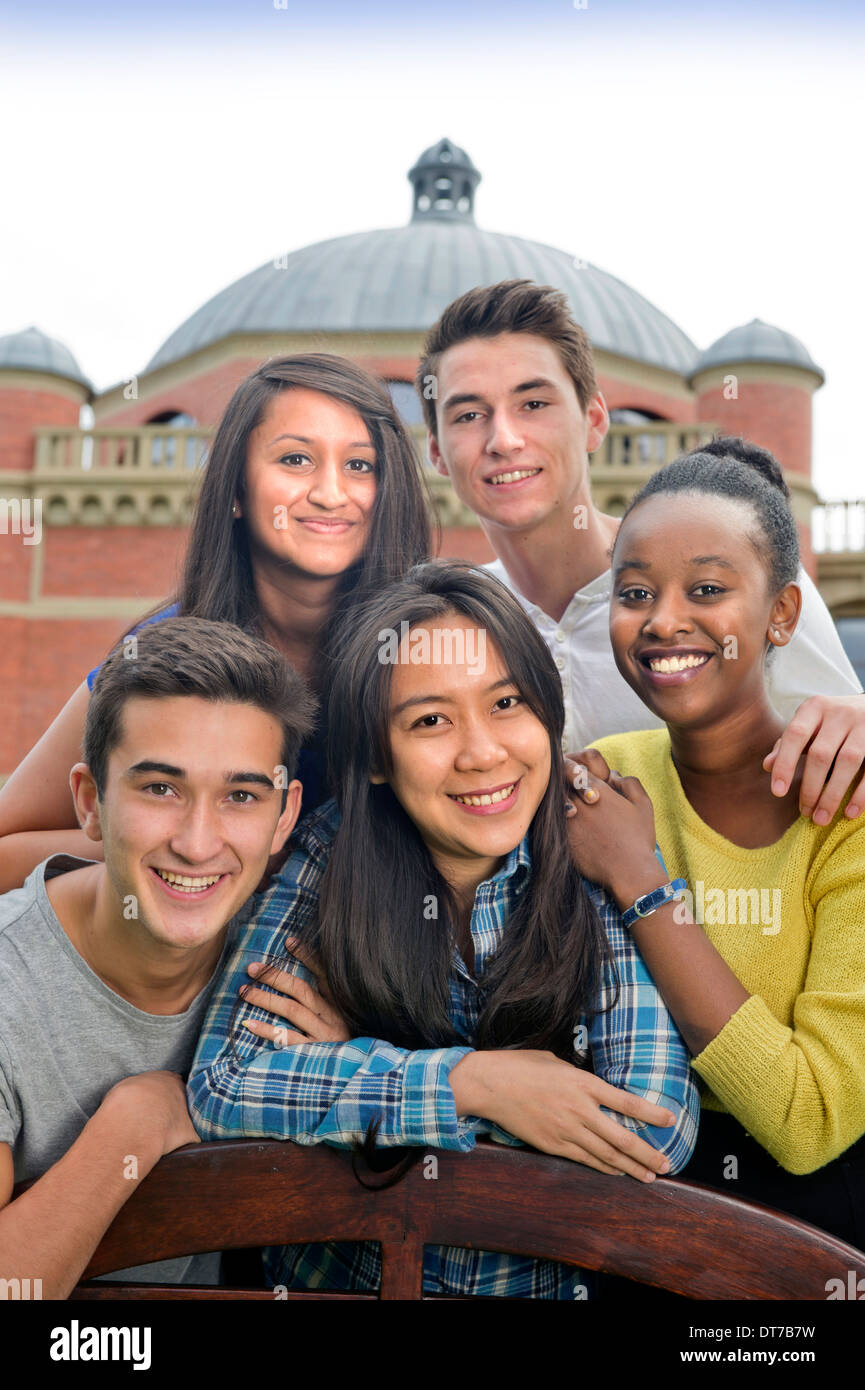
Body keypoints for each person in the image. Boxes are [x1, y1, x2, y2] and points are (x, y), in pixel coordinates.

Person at [188, 561, 699, 1299]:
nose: (482, 752)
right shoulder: (331, 854)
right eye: (430, 720)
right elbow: (225, 1084)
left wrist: (362, 1075)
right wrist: (474, 1083)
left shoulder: (590, 846)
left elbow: (652, 1129)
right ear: (371, 758)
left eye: (506, 703)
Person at [417, 278, 865, 827]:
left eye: (533, 403)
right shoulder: (453, 622)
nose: (503, 439)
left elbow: (842, 737)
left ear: (594, 421)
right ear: (436, 451)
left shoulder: (741, 573)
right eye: (468, 415)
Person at [566, 450, 865, 1249]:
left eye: (706, 589)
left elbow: (811, 1118)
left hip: (808, 1243)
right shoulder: (597, 781)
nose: (663, 620)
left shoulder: (850, 811)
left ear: (780, 614)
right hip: (610, 1223)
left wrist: (641, 883)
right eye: (635, 593)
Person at [0, 354, 432, 892]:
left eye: (360, 466)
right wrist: (182, 845)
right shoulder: (163, 650)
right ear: (235, 490)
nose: (330, 493)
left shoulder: (431, 647)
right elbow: (7, 847)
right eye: (295, 459)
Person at [0, 616, 314, 1297]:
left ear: (284, 817)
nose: (198, 844)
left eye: (239, 796)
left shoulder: (292, 956)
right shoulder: (8, 991)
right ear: (90, 802)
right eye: (160, 789)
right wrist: (136, 1123)